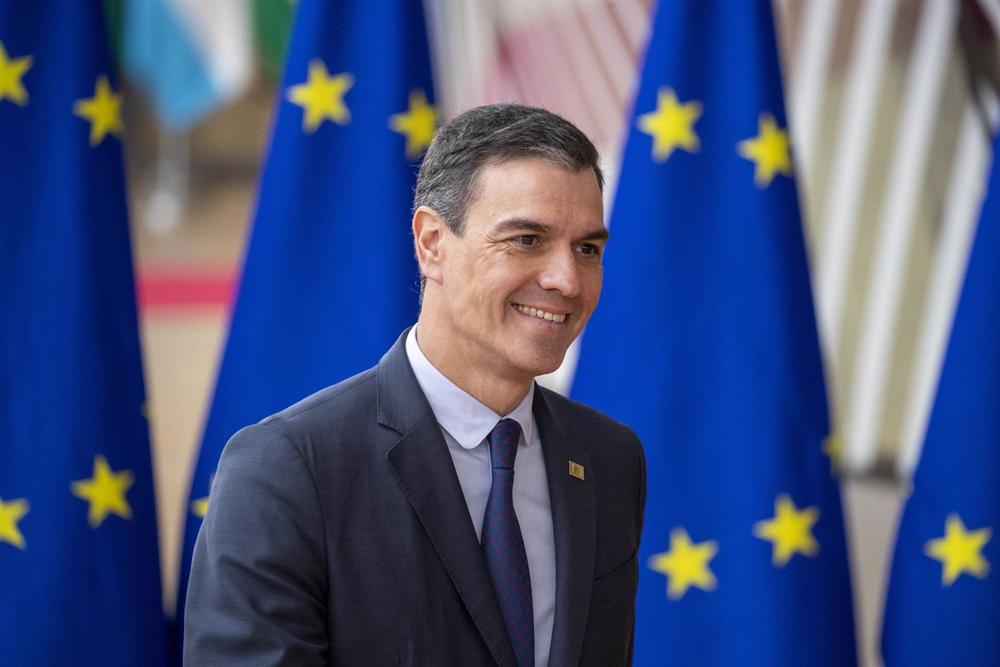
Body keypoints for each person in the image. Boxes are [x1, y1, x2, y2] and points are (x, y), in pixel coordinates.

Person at [184, 103, 646, 666]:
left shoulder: (609, 459)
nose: (566, 280)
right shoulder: (288, 468)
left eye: (587, 249)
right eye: (526, 239)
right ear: (431, 243)